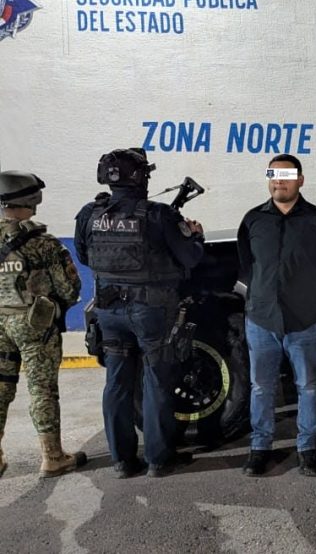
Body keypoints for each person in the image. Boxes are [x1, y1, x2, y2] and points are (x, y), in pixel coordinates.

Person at [74, 148, 205, 478]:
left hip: (109, 312)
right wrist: (196, 236)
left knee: (116, 383)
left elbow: (85, 256)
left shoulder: (90, 213)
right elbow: (189, 258)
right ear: (140, 177)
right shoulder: (159, 214)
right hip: (151, 311)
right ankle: (159, 459)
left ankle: (122, 461)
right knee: (156, 381)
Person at [238, 154, 316, 477]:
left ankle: (307, 447)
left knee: (308, 386)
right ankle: (260, 447)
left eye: (286, 175)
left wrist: (308, 293)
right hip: (261, 320)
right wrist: (260, 296)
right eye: (274, 175)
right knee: (260, 387)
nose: (279, 181)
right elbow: (246, 264)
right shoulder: (253, 220)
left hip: (306, 320)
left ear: (300, 180)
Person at [0, 171, 86, 479]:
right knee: (42, 389)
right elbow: (69, 289)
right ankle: (53, 457)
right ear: (31, 199)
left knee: (1, 386)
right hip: (35, 325)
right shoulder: (44, 244)